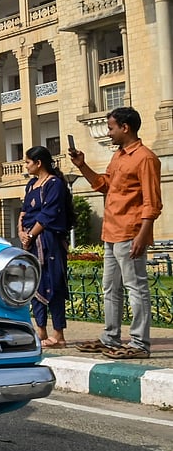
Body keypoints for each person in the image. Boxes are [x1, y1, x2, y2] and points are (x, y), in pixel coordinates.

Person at [69, 106, 163, 359]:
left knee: (136, 287)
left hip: (131, 232)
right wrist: (82, 166)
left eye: (111, 127)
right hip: (111, 232)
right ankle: (110, 337)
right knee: (110, 289)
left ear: (125, 127)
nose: (108, 132)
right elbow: (104, 186)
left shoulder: (145, 158)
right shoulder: (119, 156)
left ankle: (140, 343)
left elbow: (152, 202)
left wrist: (144, 234)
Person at [18, 146, 74, 348]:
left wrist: (31, 235)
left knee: (54, 283)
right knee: (35, 283)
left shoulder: (54, 184)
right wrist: (21, 232)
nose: (26, 166)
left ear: (38, 163)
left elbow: (49, 214)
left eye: (27, 162)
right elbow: (24, 211)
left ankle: (58, 334)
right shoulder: (32, 184)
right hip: (31, 241)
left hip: (48, 240)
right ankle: (40, 329)